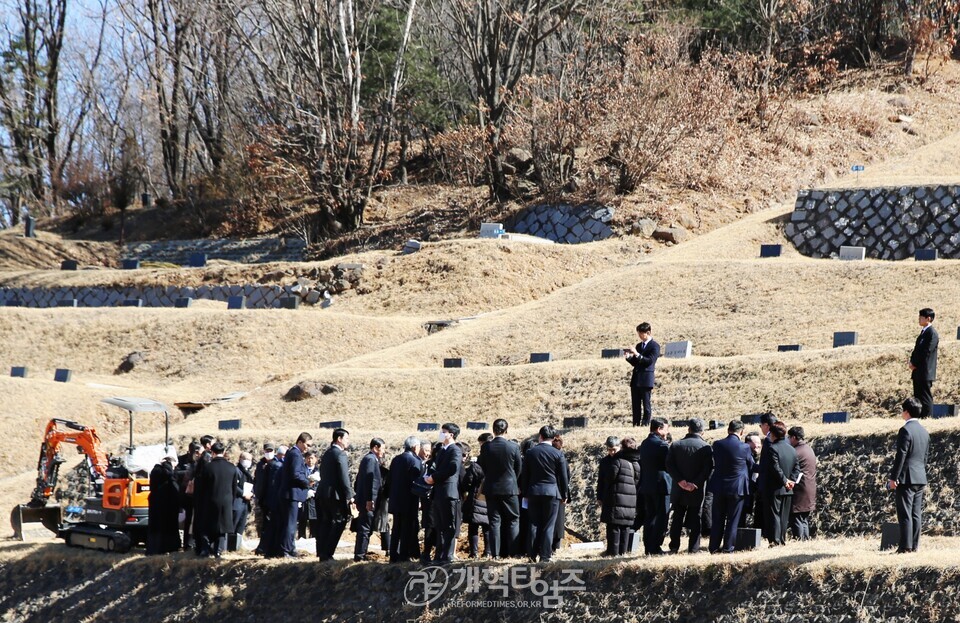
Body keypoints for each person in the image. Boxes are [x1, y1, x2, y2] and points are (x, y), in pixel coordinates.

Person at [520, 425, 569, 563]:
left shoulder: (530, 453)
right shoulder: (558, 454)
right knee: (549, 525)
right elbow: (563, 477)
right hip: (552, 492)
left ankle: (531, 554)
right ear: (553, 438)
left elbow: (525, 475)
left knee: (534, 523)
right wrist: (564, 493)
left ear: (540, 436)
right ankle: (545, 555)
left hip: (534, 491)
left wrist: (524, 492)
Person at [888, 397, 930, 553]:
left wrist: (894, 478)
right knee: (915, 513)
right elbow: (925, 457)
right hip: (920, 476)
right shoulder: (924, 432)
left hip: (906, 477)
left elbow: (901, 456)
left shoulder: (905, 430)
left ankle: (905, 546)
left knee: (905, 513)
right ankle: (914, 545)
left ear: (906, 412)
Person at [666, 418, 713, 554]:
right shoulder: (706, 447)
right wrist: (695, 483)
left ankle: (674, 546)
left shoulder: (676, 445)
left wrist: (681, 481)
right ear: (702, 432)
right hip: (696, 489)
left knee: (677, 517)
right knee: (696, 517)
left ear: (688, 429)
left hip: (679, 488)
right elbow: (708, 469)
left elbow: (669, 465)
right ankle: (693, 548)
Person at [477, 418, 522, 559]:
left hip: (491, 487)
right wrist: (513, 480)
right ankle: (513, 553)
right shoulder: (513, 447)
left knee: (494, 521)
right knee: (513, 520)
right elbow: (518, 468)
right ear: (506, 430)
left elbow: (482, 465)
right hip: (509, 488)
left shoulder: (486, 447)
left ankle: (495, 554)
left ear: (493, 430)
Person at [708, 420, 754, 554]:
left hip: (719, 486)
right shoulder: (744, 447)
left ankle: (714, 547)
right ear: (741, 432)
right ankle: (728, 547)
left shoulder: (717, 444)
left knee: (717, 519)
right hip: (737, 488)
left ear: (728, 430)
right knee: (733, 520)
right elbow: (751, 465)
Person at [425, 423, 462, 564]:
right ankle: (439, 555)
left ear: (450, 434)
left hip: (448, 492)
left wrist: (434, 477)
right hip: (439, 492)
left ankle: (447, 555)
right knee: (439, 526)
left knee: (448, 525)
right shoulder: (442, 450)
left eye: (443, 432)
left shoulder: (455, 450)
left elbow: (452, 468)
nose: (441, 434)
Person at [316, 428, 354, 561]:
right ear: (339, 439)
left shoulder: (327, 453)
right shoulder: (340, 454)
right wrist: (350, 495)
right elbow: (344, 477)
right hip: (336, 495)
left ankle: (322, 553)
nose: (348, 441)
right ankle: (328, 552)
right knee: (339, 521)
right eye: (347, 438)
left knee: (326, 522)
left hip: (323, 493)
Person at [759, 421, 799, 546]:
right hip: (788, 489)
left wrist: (785, 480)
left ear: (773, 434)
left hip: (774, 487)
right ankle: (782, 539)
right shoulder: (792, 449)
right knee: (783, 516)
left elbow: (775, 468)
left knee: (773, 515)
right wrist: (791, 480)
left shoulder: (772, 448)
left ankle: (775, 541)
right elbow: (797, 468)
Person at [195, 442, 237, 557]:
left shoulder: (207, 468)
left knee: (206, 525)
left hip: (210, 500)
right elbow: (234, 488)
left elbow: (201, 487)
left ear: (212, 453)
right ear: (223, 452)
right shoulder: (232, 467)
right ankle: (218, 550)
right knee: (222, 527)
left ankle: (205, 549)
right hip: (226, 501)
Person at [277, 432, 312, 558]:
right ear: (300, 442)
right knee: (290, 524)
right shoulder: (296, 454)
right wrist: (308, 481)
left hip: (290, 494)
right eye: (307, 445)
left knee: (291, 523)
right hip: (291, 494)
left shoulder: (293, 453)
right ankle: (286, 550)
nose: (307, 448)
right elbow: (295, 474)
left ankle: (290, 548)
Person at [639, 417, 671, 555]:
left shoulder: (644, 443)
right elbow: (668, 465)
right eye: (666, 428)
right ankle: (656, 546)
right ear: (659, 429)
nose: (667, 431)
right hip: (661, 485)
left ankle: (648, 547)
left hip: (647, 484)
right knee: (661, 516)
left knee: (650, 516)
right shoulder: (662, 446)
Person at [388, 436, 422, 563]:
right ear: (414, 447)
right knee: (407, 528)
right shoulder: (415, 460)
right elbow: (417, 481)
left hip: (396, 499)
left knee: (396, 528)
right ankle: (404, 555)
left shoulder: (396, 459)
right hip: (409, 500)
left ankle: (393, 555)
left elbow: (390, 480)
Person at [605, 438, 641, 556]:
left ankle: (613, 554)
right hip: (631, 500)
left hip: (616, 499)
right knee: (625, 527)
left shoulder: (617, 461)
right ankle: (623, 553)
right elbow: (636, 482)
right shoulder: (636, 464)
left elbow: (610, 479)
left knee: (614, 528)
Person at [353, 438, 384, 561]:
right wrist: (369, 500)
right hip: (368, 501)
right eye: (383, 448)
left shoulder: (369, 459)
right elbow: (370, 481)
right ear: (375, 447)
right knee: (365, 528)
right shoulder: (371, 459)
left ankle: (361, 553)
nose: (384, 452)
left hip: (366, 499)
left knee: (366, 528)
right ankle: (360, 555)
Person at [625, 322, 661, 426]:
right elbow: (636, 363)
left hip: (646, 378)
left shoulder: (655, 346)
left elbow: (649, 361)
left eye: (641, 333)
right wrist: (629, 358)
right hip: (636, 378)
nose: (640, 336)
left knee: (646, 403)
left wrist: (636, 353)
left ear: (648, 332)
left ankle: (645, 423)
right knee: (635, 404)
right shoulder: (638, 346)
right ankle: (635, 423)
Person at [147, 451, 181, 555]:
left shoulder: (155, 470)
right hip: (168, 505)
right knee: (168, 527)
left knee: (155, 527)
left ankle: (154, 548)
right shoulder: (169, 474)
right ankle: (169, 547)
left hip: (155, 503)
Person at [787, 426, 817, 540]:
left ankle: (799, 541)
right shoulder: (809, 449)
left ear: (794, 437)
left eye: (789, 437)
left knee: (797, 517)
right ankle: (805, 541)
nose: (788, 440)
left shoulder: (796, 452)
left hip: (800, 489)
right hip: (809, 487)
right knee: (803, 519)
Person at [460, 442, 488, 558]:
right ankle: (488, 552)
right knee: (488, 527)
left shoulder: (475, 466)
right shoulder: (493, 465)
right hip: (487, 498)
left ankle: (474, 552)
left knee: (473, 527)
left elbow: (467, 482)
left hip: (474, 498)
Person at [910, 308, 939, 418]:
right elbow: (916, 350)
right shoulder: (923, 333)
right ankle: (920, 416)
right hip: (918, 370)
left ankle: (927, 417)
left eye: (921, 317)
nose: (919, 319)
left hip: (925, 371)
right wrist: (912, 361)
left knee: (925, 396)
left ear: (929, 319)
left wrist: (915, 363)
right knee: (918, 396)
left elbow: (926, 351)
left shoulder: (932, 333)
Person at [254, 443, 282, 556]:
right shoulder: (260, 465)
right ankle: (263, 547)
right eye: (267, 450)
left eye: (271, 450)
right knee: (263, 525)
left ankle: (266, 547)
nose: (268, 453)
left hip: (271, 499)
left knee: (269, 524)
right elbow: (258, 481)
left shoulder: (276, 464)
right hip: (262, 498)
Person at [597, 436, 621, 556]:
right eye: (609, 450)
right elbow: (600, 480)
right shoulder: (604, 461)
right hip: (607, 495)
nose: (611, 452)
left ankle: (618, 550)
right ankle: (610, 549)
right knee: (609, 523)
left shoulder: (623, 460)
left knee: (619, 524)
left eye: (614, 450)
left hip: (621, 495)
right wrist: (599, 496)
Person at [230, 451, 255, 551]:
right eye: (245, 459)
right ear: (240, 459)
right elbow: (234, 486)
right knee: (234, 525)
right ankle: (230, 547)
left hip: (245, 503)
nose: (248, 462)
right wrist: (243, 494)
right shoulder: (236, 470)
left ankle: (237, 545)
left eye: (249, 460)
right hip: (237, 502)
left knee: (241, 525)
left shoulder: (247, 472)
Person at [551, 435, 570, 553]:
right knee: (559, 521)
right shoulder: (562, 458)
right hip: (560, 493)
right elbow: (566, 477)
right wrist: (565, 494)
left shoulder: (547, 457)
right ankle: (556, 546)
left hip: (550, 491)